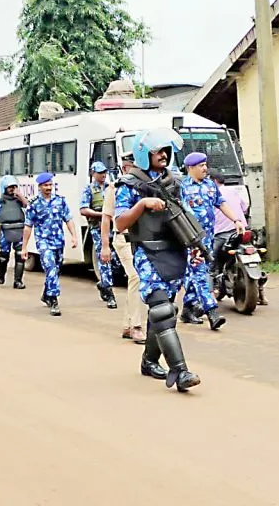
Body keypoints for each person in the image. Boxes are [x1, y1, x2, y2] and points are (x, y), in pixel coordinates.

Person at [114, 128, 202, 392]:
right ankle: (181, 371)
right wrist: (142, 205)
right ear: (143, 154)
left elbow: (185, 214)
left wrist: (196, 245)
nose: (163, 155)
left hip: (174, 250)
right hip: (146, 250)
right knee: (161, 308)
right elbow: (120, 223)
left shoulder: (174, 182)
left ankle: (149, 360)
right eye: (157, 151)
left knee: (165, 312)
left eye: (166, 150)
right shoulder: (129, 184)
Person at [179, 152, 246, 331]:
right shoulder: (182, 187)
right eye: (201, 166)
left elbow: (221, 203)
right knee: (200, 273)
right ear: (190, 168)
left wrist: (236, 220)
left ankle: (187, 310)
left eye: (205, 165)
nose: (205, 168)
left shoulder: (210, 185)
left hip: (209, 237)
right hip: (191, 239)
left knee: (197, 272)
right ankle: (212, 311)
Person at [100, 152, 146, 344]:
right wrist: (104, 246)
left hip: (141, 240)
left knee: (135, 281)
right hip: (124, 239)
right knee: (137, 277)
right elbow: (106, 218)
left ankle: (128, 324)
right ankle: (137, 326)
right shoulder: (116, 187)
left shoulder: (145, 185)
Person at [22, 172, 78, 317]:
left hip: (58, 241)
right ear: (39, 187)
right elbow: (28, 226)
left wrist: (74, 236)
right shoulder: (34, 204)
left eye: (50, 185)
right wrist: (24, 247)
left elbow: (68, 219)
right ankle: (53, 300)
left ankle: (46, 294)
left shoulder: (60, 201)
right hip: (44, 242)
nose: (48, 188)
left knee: (56, 270)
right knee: (50, 267)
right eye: (45, 185)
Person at [211, 169, 268, 305]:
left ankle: (211, 294)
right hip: (242, 230)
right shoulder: (234, 191)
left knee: (210, 264)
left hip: (221, 233)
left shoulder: (211, 193)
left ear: (213, 181)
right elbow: (244, 207)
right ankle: (261, 293)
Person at [80, 161, 118, 310]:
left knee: (116, 260)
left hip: (113, 229)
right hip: (97, 228)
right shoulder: (89, 189)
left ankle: (103, 284)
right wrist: (101, 215)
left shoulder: (111, 188)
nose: (103, 175)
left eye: (104, 172)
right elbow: (83, 209)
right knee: (104, 260)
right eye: (100, 172)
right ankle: (109, 293)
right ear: (92, 173)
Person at [0, 175, 29, 289]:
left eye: (14, 186)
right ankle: (1, 274)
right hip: (5, 231)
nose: (12, 189)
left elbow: (27, 205)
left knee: (20, 256)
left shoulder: (19, 200)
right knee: (4, 256)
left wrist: (20, 195)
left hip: (19, 229)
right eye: (10, 187)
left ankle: (18, 281)